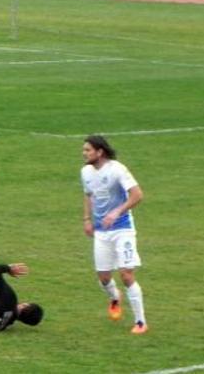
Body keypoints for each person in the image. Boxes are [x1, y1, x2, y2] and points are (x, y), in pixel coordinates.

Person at [81, 135, 147, 334]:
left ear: (100, 152)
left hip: (122, 229)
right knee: (103, 277)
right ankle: (114, 297)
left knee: (126, 274)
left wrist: (117, 211)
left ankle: (140, 322)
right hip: (102, 231)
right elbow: (88, 195)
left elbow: (138, 195)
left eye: (87, 150)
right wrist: (86, 220)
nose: (84, 154)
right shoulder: (85, 172)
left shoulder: (117, 169)